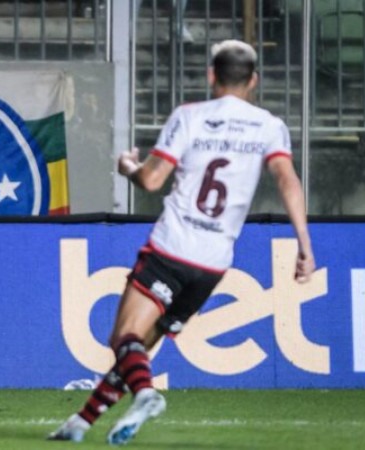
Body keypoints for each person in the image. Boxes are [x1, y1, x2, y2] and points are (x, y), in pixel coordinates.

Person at [48, 39, 315, 445]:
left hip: (172, 246)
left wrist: (129, 167)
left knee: (123, 339)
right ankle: (82, 422)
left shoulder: (190, 116)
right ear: (254, 81)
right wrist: (304, 244)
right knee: (139, 347)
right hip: (213, 263)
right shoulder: (269, 126)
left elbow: (153, 180)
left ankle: (147, 394)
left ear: (211, 75)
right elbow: (287, 180)